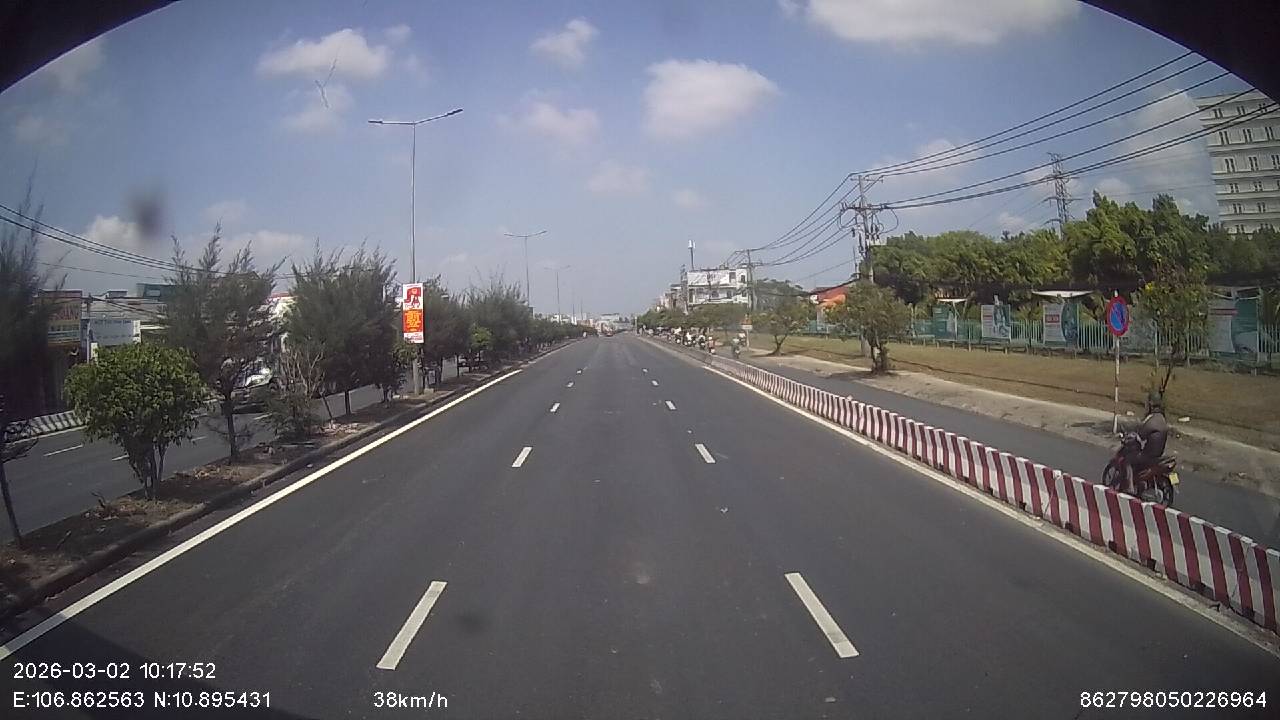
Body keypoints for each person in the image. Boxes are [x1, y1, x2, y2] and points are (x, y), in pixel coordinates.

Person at [1124, 391, 1169, 486]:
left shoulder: (1151, 419)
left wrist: (1130, 438)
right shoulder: (1162, 418)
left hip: (1148, 455)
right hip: (1158, 454)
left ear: (1151, 404)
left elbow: (1140, 436)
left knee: (1128, 460)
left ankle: (1130, 487)